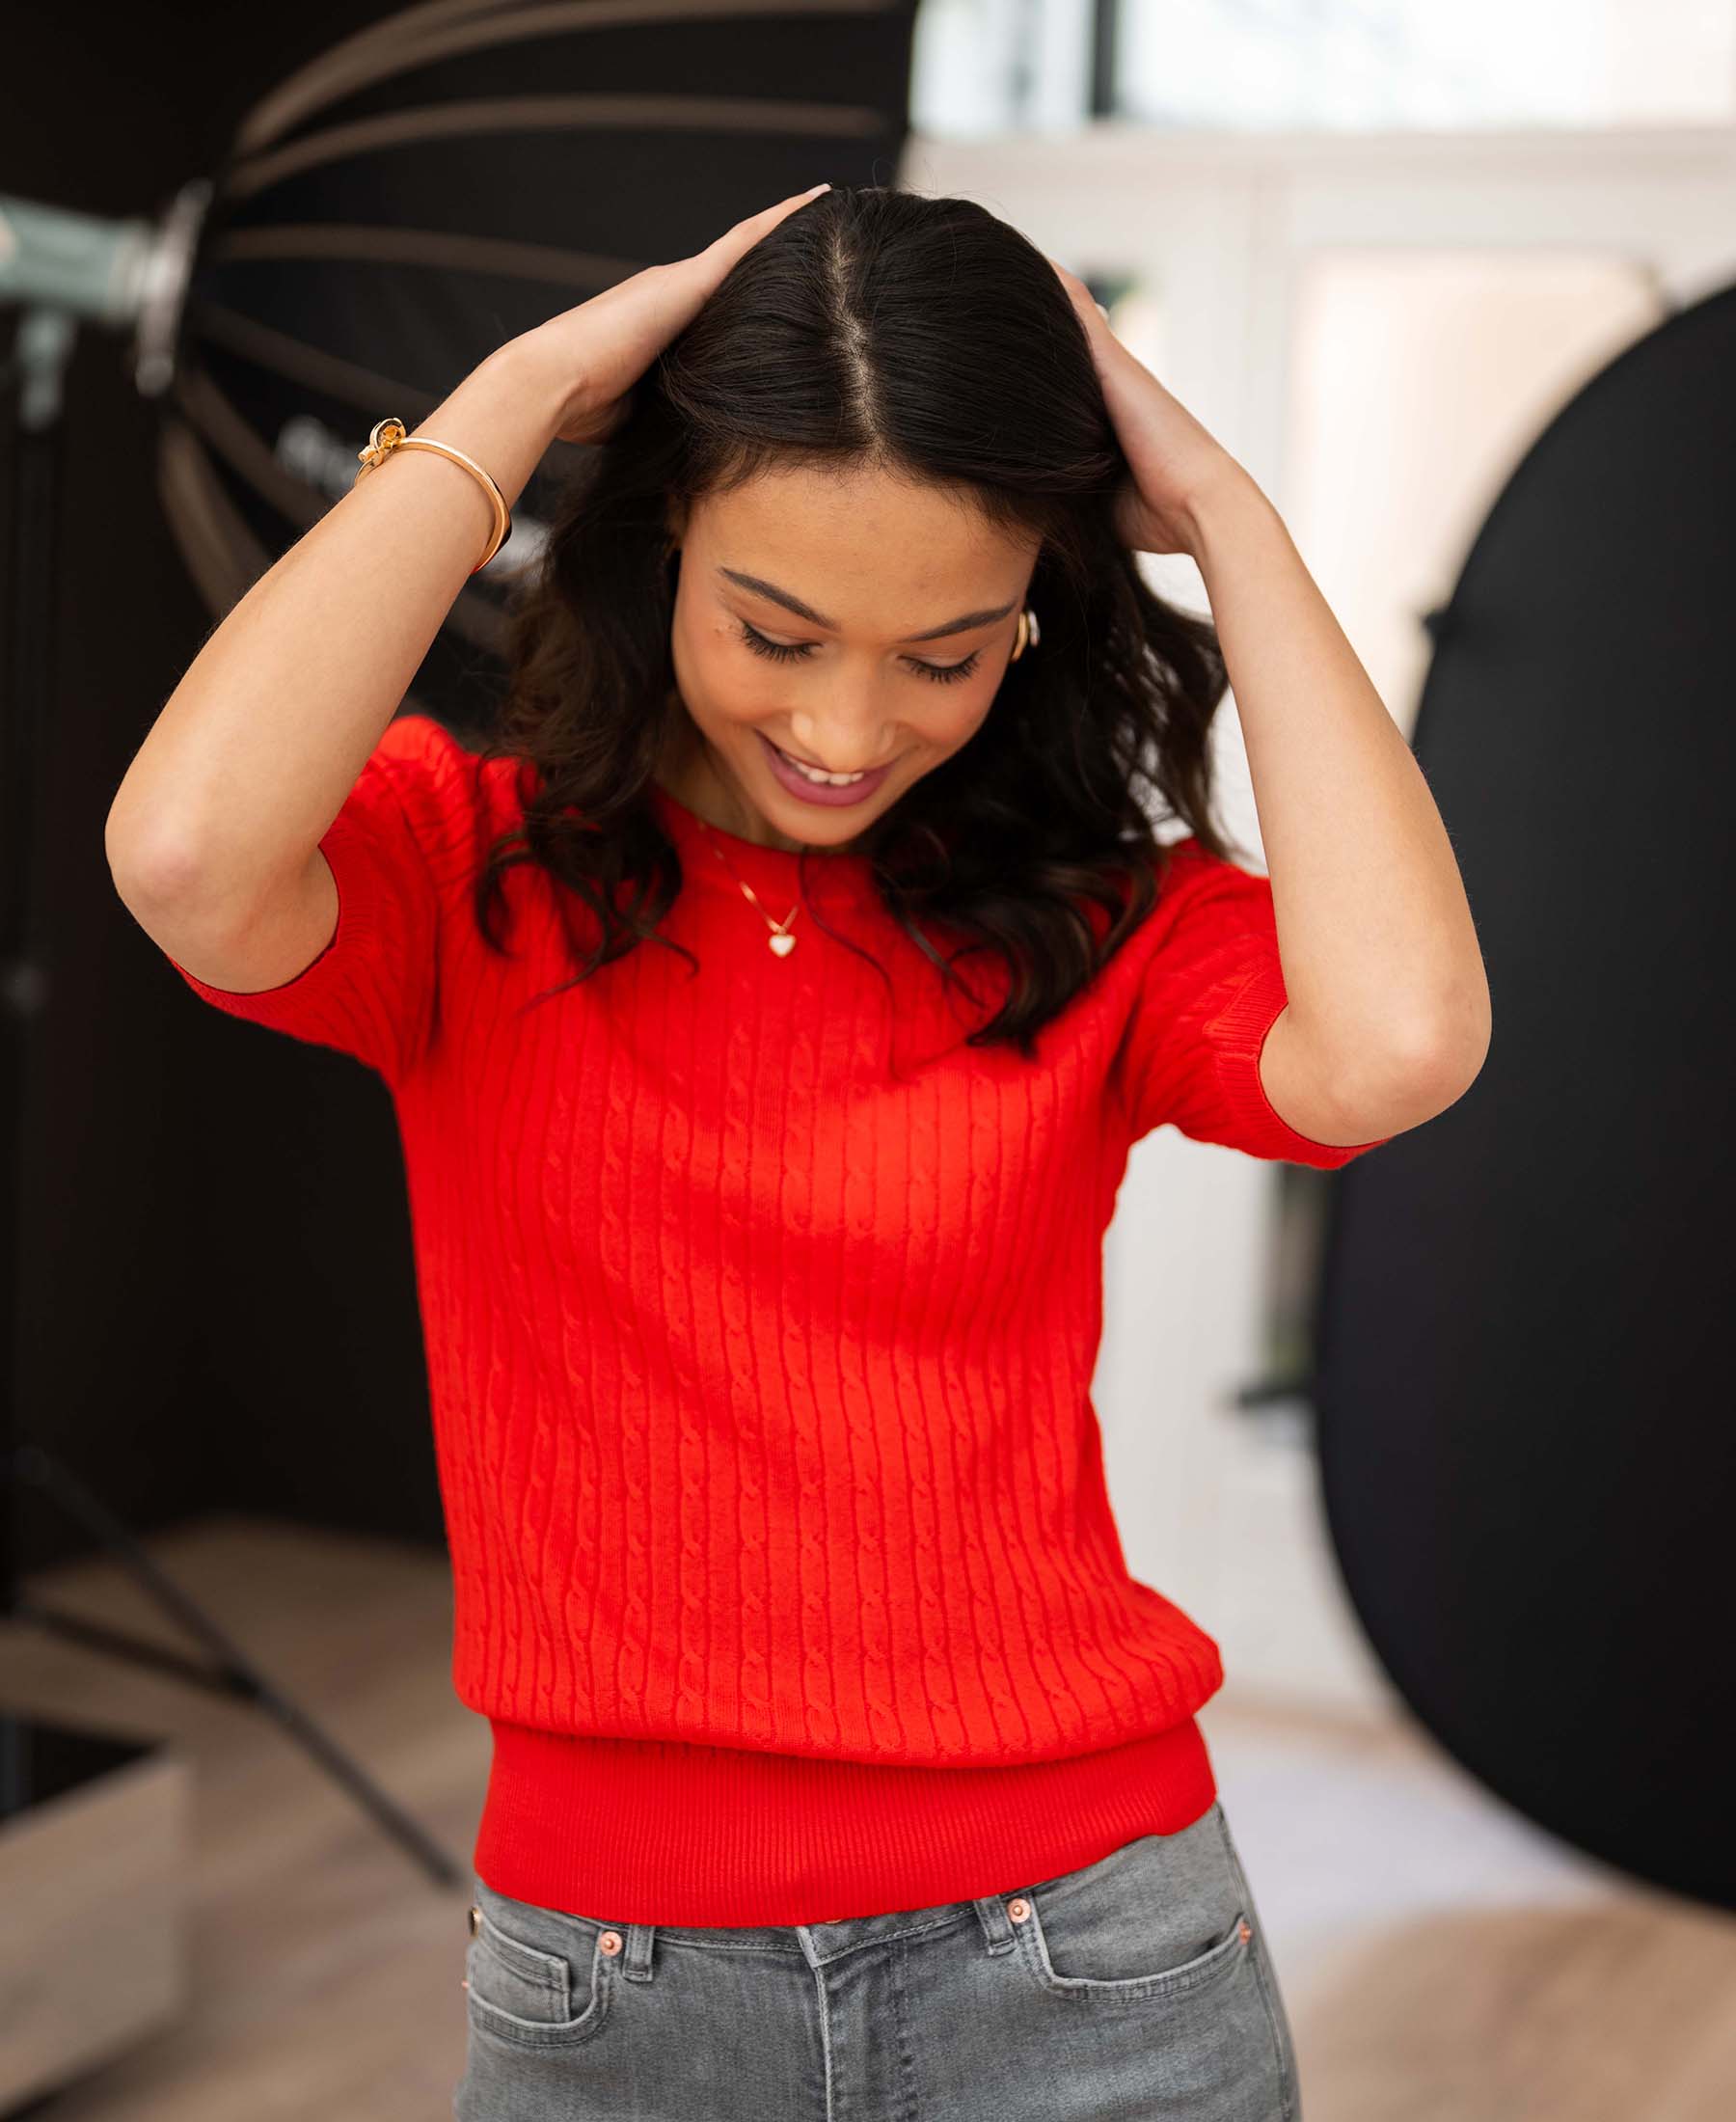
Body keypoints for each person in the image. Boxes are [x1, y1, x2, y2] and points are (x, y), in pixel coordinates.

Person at [105, 182, 1487, 2120]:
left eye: (946, 651)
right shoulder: (461, 879)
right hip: (611, 1988)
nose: (848, 725)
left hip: (1090, 1951)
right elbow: (181, 855)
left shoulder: (1103, 921)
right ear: (665, 537)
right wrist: (514, 401)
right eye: (778, 628)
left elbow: (1403, 1038)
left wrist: (1227, 525)